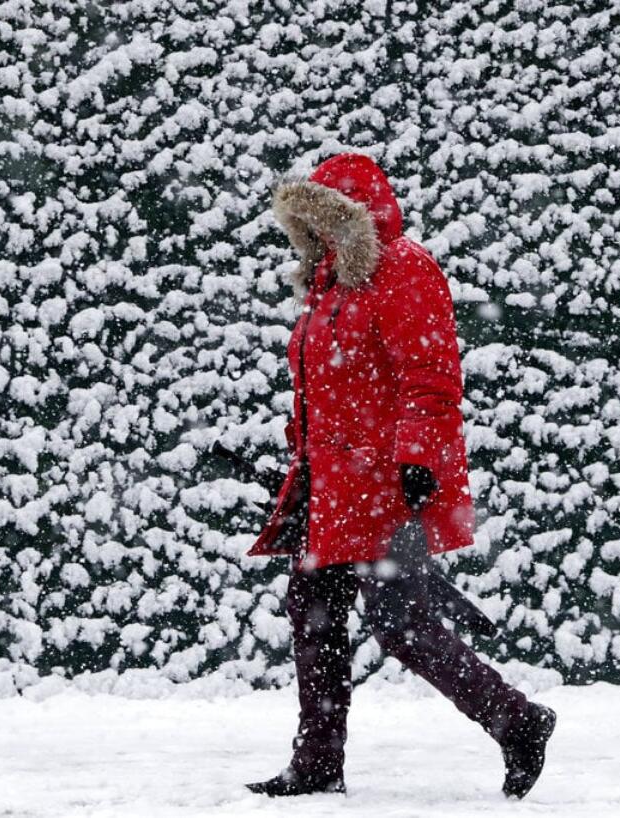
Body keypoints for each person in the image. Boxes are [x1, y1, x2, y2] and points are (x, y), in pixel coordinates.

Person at [244, 153, 556, 799]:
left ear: (351, 217)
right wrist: (297, 452)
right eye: (305, 221)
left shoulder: (403, 270)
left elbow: (431, 377)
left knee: (400, 623)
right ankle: (317, 764)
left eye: (325, 218)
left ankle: (517, 720)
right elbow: (323, 384)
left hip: (384, 480)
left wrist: (417, 461)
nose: (313, 231)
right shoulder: (328, 281)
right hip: (328, 483)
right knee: (314, 616)